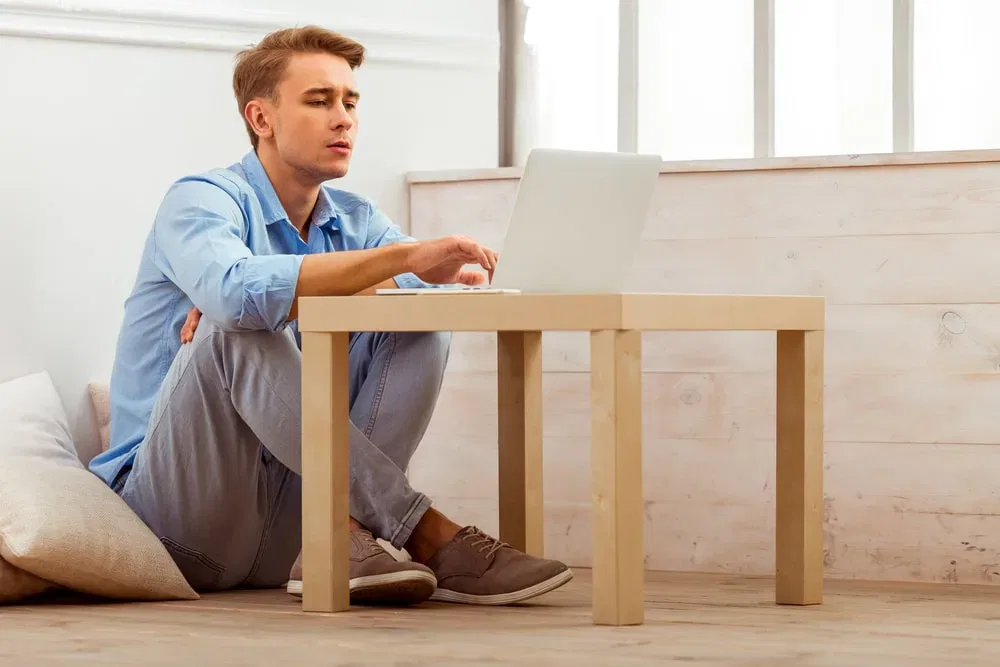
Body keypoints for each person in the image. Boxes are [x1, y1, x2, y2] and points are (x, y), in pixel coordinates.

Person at [88, 25, 573, 606]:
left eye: (350, 101)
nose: (343, 118)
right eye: (319, 101)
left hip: (293, 535)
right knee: (233, 328)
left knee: (418, 324)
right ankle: (425, 533)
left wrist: (436, 282)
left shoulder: (354, 218)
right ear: (261, 118)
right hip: (177, 526)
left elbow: (413, 288)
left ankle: (346, 534)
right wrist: (395, 261)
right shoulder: (201, 199)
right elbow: (235, 296)